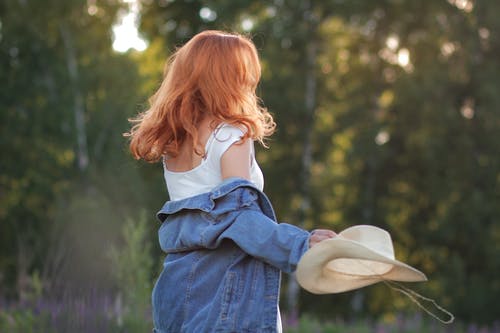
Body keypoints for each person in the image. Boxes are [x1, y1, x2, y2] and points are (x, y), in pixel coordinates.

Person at [124, 30, 336, 333]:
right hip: (228, 296)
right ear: (225, 77)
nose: (249, 83)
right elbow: (238, 217)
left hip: (176, 290)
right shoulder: (230, 134)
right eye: (244, 73)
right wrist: (302, 244)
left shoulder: (177, 143)